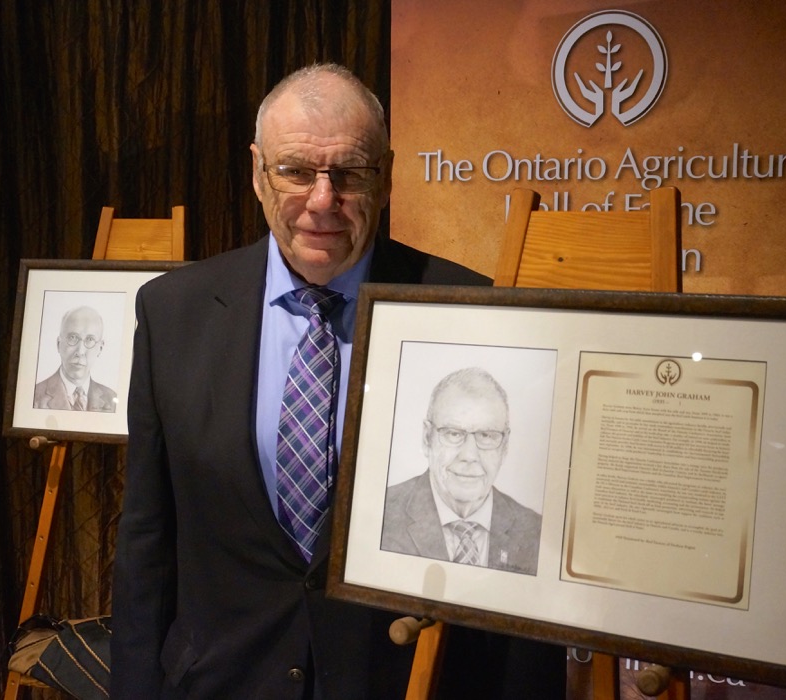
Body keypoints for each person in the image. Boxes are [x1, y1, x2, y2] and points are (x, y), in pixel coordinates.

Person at [112, 64, 565, 699]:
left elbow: (517, 575)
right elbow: (146, 541)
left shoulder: (470, 313)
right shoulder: (173, 313)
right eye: (296, 171)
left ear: (387, 176)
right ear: (257, 172)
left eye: (349, 173)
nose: (323, 200)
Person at [381, 367, 542, 575]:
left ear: (505, 446)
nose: (469, 455)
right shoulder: (382, 515)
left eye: (486, 435)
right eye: (454, 433)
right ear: (427, 438)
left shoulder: (535, 532)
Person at [33, 305, 117, 412]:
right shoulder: (35, 397)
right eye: (72, 337)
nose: (80, 351)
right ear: (58, 344)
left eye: (90, 339)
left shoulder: (112, 401)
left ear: (100, 348)